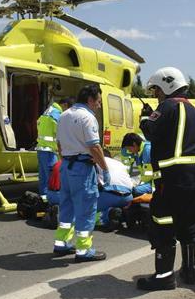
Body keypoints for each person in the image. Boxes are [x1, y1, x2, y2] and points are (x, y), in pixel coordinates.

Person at [136, 67, 195, 291]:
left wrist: (145, 117)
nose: (156, 95)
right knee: (189, 223)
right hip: (193, 176)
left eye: (156, 90)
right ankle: (189, 270)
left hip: (171, 177)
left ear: (167, 85)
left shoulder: (167, 106)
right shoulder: (193, 110)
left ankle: (164, 276)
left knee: (162, 221)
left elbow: (151, 132)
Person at [53, 84, 109, 262]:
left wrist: (67, 159)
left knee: (66, 207)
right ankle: (84, 251)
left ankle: (61, 244)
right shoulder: (88, 117)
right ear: (90, 100)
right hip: (82, 169)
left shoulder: (64, 115)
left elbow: (59, 146)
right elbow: (94, 146)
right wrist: (104, 169)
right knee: (86, 209)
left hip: (66, 166)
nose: (99, 105)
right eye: (98, 102)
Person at [36, 97, 74, 202]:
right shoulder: (57, 115)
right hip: (49, 151)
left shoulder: (48, 111)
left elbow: (38, 124)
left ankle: (43, 200)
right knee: (52, 177)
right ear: (65, 105)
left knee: (43, 176)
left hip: (41, 148)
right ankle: (52, 202)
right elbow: (61, 133)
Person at [96, 149, 135, 230]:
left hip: (109, 195)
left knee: (88, 208)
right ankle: (123, 215)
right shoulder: (119, 163)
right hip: (128, 197)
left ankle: (108, 216)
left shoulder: (97, 161)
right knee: (114, 206)